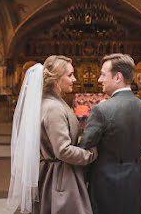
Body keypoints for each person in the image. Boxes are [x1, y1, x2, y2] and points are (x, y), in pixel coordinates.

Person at [7, 55, 97, 214]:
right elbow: (63, 150)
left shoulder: (51, 101)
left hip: (55, 172)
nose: (74, 79)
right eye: (70, 75)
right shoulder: (53, 107)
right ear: (55, 79)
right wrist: (90, 155)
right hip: (60, 178)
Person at [80, 53, 141, 214]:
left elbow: (85, 147)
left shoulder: (102, 109)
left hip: (105, 180)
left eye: (103, 75)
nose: (99, 80)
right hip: (134, 176)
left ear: (118, 77)